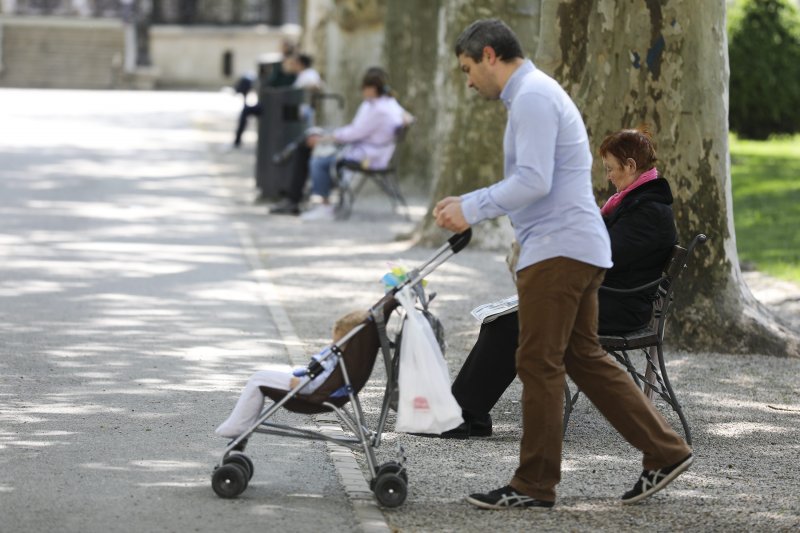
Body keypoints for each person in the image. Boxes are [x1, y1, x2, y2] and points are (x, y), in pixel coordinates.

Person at [433, 18, 693, 509]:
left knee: (537, 362)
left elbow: (533, 180)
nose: (468, 81)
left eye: (468, 68)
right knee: (582, 358)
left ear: (490, 55)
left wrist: (470, 206)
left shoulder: (530, 96)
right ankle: (665, 449)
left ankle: (533, 485)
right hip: (575, 247)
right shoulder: (534, 94)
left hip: (558, 252)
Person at [427, 127, 678, 440]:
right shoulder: (634, 201)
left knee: (508, 325)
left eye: (611, 169)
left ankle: (463, 415)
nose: (608, 177)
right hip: (604, 297)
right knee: (502, 322)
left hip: (618, 306)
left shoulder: (649, 210)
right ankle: (467, 413)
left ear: (630, 166)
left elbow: (601, 256)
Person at [215, 309, 367, 440]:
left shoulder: (338, 358)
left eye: (336, 339)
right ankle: (242, 423)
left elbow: (323, 380)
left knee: (258, 379)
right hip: (312, 384)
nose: (332, 343)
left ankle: (238, 426)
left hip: (307, 388)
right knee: (260, 377)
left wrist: (302, 384)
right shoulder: (351, 357)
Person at [297, 67, 410, 221]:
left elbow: (354, 133)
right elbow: (407, 117)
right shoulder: (390, 103)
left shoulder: (377, 109)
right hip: (377, 152)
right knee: (328, 154)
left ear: (371, 89)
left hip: (369, 157)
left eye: (364, 88)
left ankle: (324, 206)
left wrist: (325, 138)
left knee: (320, 162)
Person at [232, 38, 297, 149]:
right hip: (274, 100)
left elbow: (276, 82)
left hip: (278, 104)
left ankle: (237, 141)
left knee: (246, 109)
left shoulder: (287, 65)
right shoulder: (281, 63)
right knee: (247, 83)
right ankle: (237, 141)